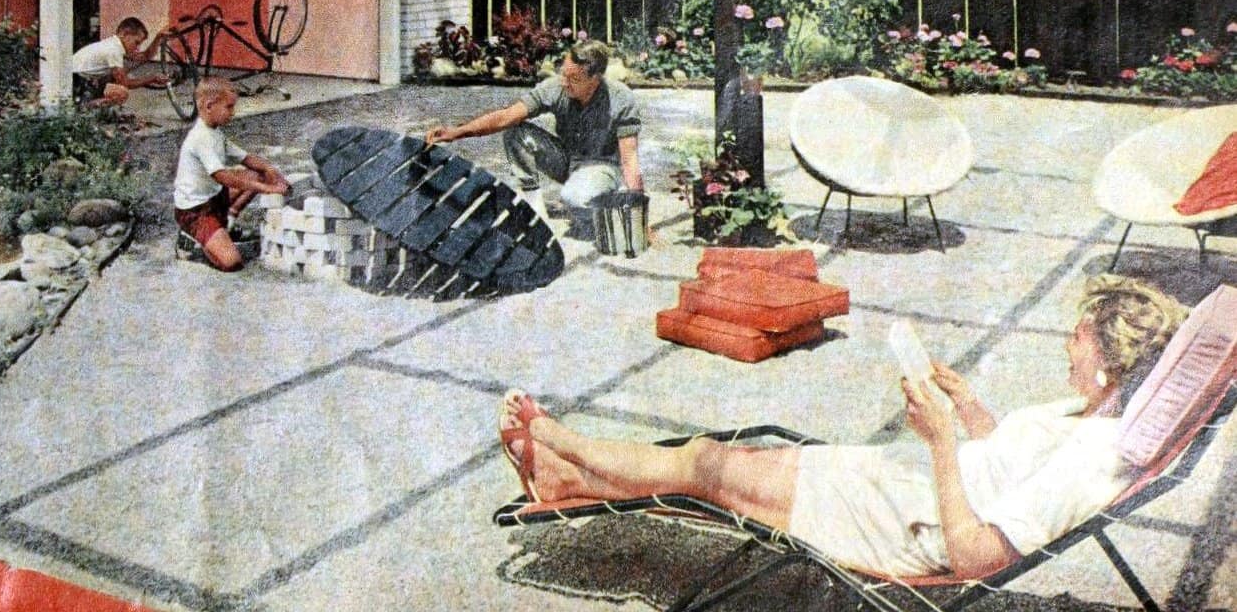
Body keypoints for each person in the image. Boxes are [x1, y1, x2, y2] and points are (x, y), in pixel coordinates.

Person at [497, 275, 1186, 581]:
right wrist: (970, 409)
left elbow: (977, 557)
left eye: (1079, 338)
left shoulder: (1097, 456)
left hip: (904, 529)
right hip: (902, 494)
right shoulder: (1096, 413)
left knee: (708, 466)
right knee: (741, 455)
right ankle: (567, 477)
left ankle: (571, 451)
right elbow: (1012, 466)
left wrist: (943, 441)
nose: (1067, 345)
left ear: (1110, 363)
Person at [425, 38, 642, 212]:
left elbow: (629, 159)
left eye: (573, 78)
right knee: (515, 132)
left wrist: (640, 213)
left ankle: (609, 196)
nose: (564, 82)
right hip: (567, 159)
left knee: (573, 198)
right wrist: (457, 132)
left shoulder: (621, 99)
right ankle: (535, 206)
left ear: (595, 78)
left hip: (602, 166)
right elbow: (507, 116)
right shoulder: (557, 87)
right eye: (563, 73)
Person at [173, 77, 291, 270]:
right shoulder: (200, 137)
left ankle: (226, 224)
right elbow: (222, 176)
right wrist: (267, 189)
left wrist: (269, 170)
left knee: (259, 174)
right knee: (232, 262)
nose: (233, 113)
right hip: (195, 210)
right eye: (229, 107)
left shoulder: (215, 132)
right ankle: (191, 237)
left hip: (215, 198)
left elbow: (245, 158)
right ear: (209, 106)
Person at [71, 17, 166, 108]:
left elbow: (143, 57)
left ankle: (88, 101)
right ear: (124, 34)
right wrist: (152, 79)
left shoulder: (115, 44)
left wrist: (158, 37)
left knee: (125, 68)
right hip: (76, 81)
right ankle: (82, 107)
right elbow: (125, 83)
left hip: (83, 78)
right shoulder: (114, 49)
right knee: (121, 93)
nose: (137, 48)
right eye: (136, 43)